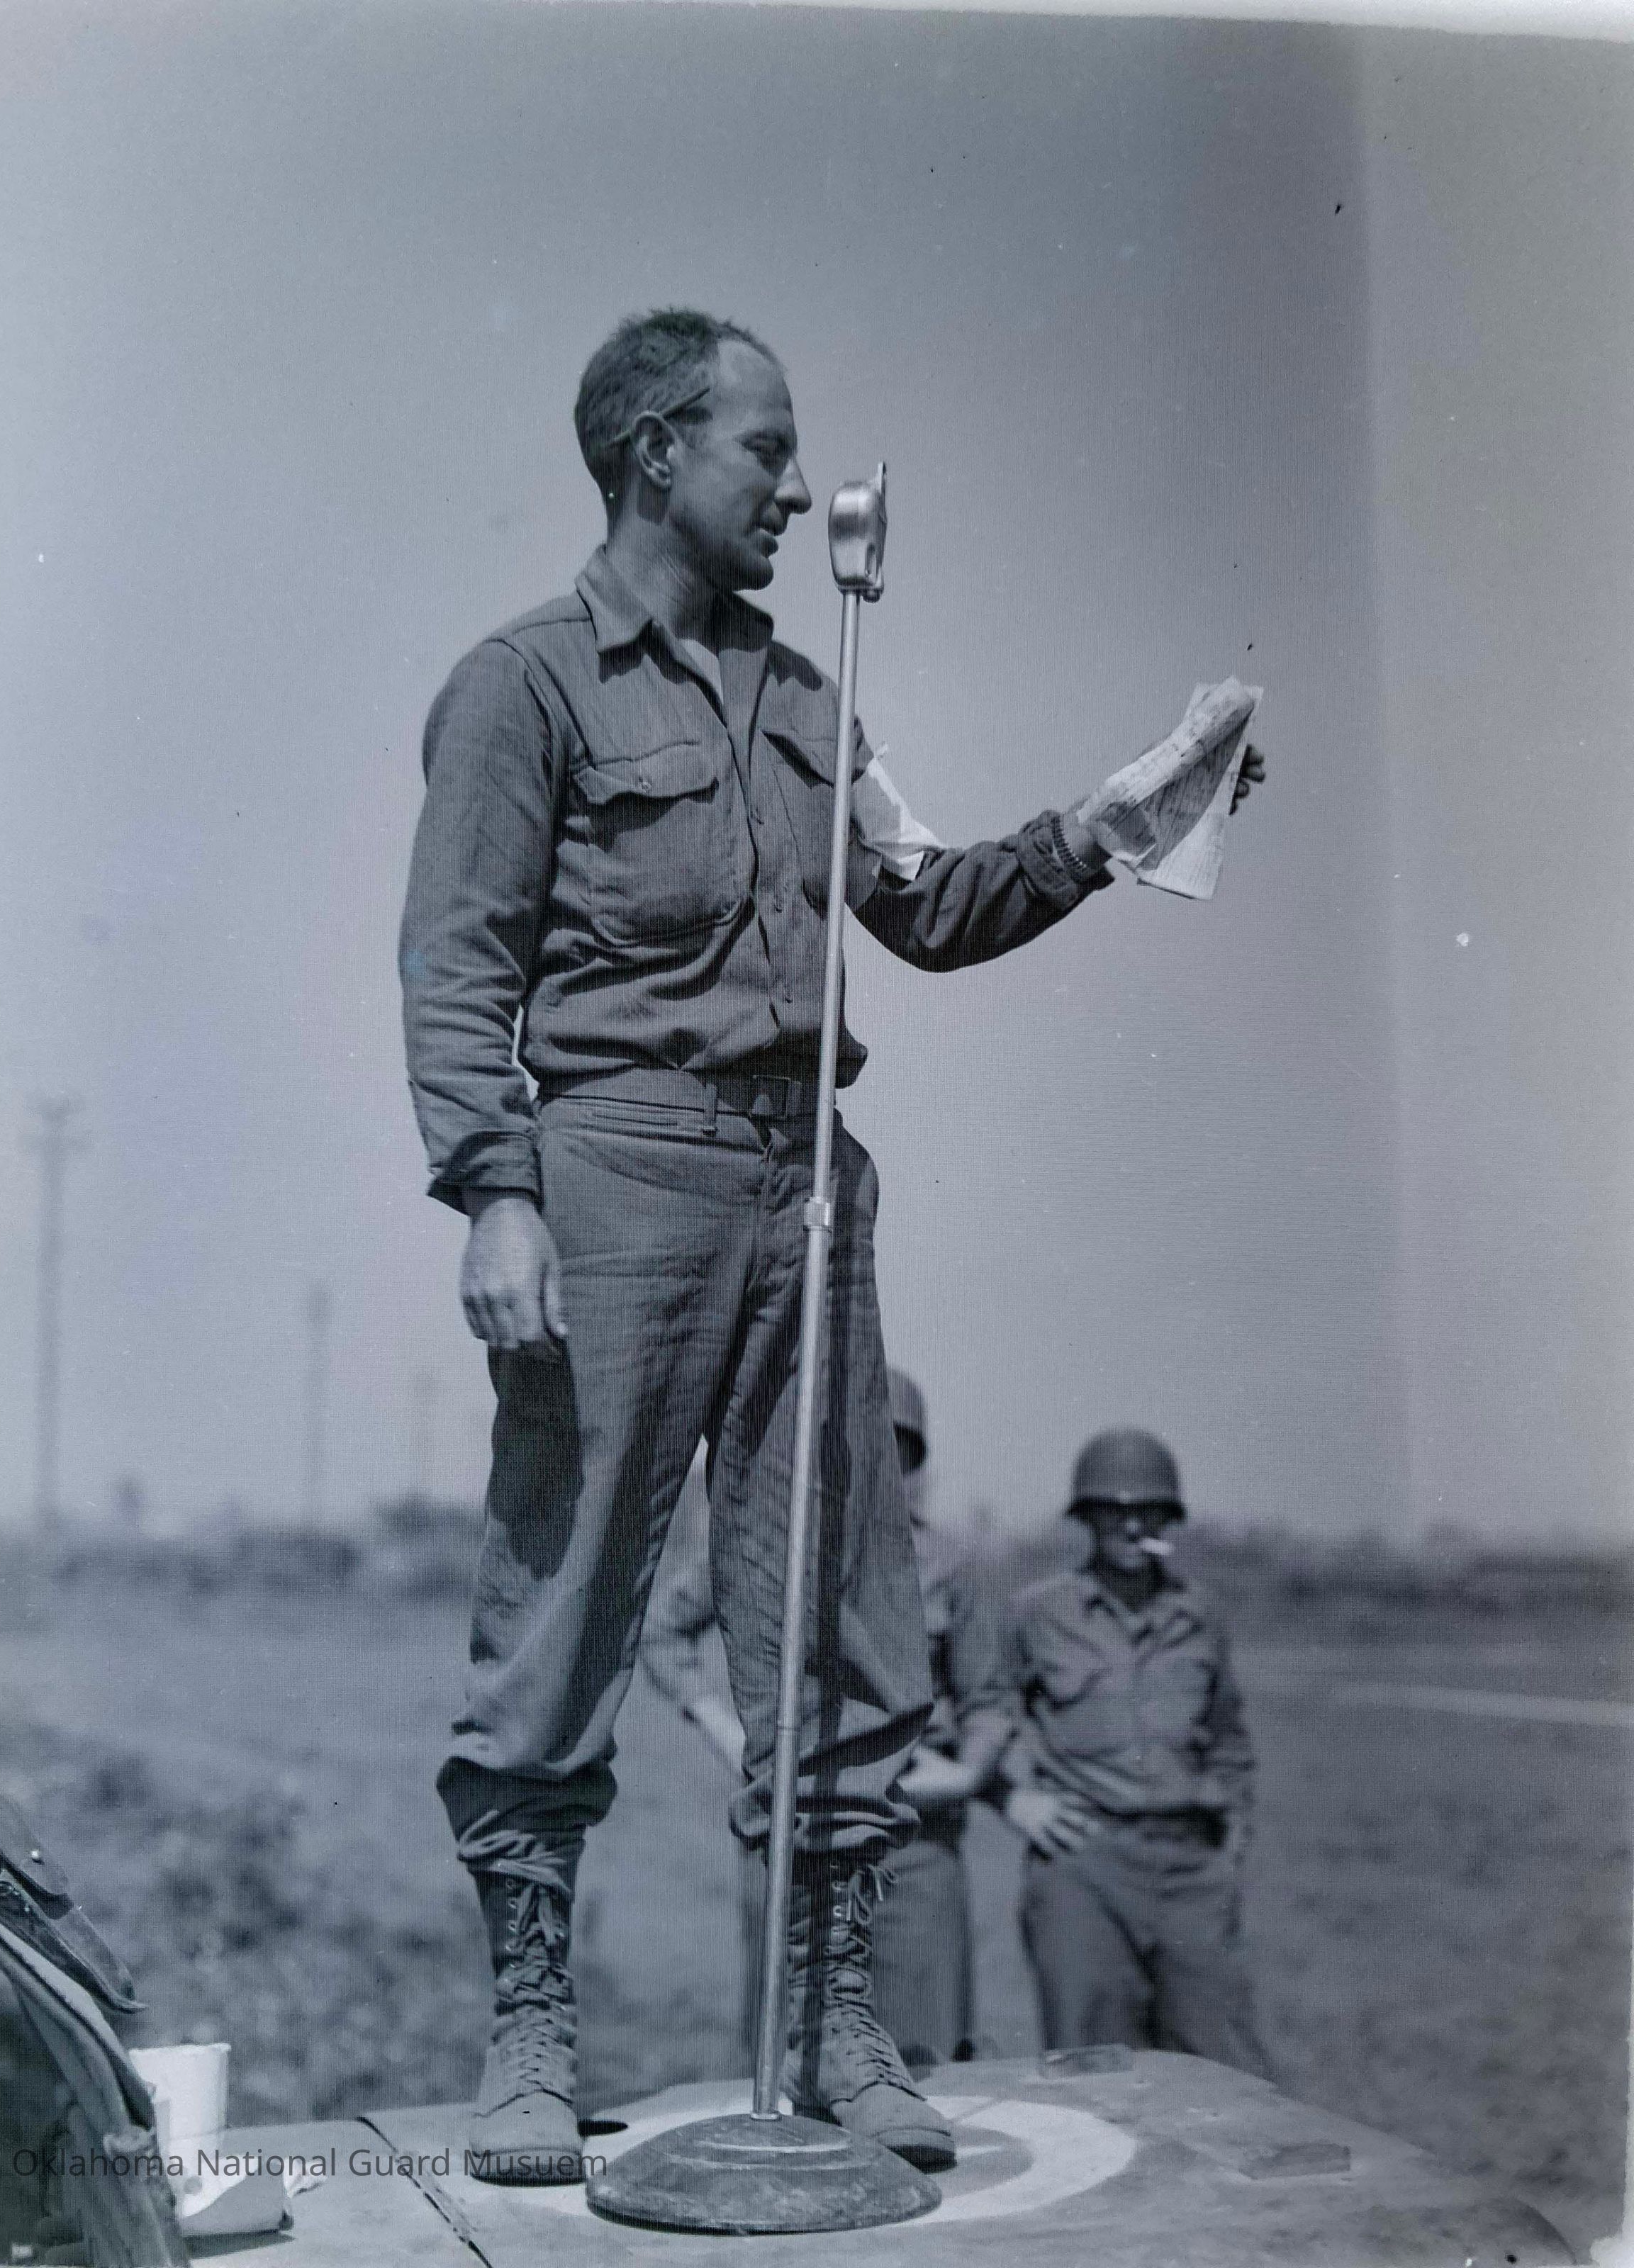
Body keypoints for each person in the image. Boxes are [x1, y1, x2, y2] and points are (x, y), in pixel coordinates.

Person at [398, 306, 1266, 2184]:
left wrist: (1109, 829)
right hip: (614, 1175)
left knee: (843, 1606)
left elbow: (928, 906)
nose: (798, 488)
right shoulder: (523, 688)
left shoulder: (813, 697)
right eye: (764, 449)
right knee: (561, 1598)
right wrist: (495, 1187)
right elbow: (460, 962)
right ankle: (530, 2029)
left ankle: (836, 2016)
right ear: (655, 452)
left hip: (807, 1187)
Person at [642, 1369, 1007, 2072]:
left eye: (892, 1447)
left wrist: (967, 1774)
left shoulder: (949, 1567)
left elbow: (990, 1700)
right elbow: (661, 1630)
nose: (870, 1462)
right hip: (796, 1830)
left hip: (912, 1837)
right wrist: (728, 1735)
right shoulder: (764, 1543)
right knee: (786, 2062)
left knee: (926, 2061)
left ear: (911, 1459)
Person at [997, 1427, 1268, 2073]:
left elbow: (1229, 1738)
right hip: (1084, 1865)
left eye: (1149, 1510)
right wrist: (1012, 1799)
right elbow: (983, 1716)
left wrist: (1231, 1842)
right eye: (1112, 1510)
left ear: (1169, 1520)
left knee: (1225, 2068)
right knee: (1092, 2068)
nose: (1132, 1525)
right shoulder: (1037, 1614)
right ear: (1086, 1518)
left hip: (1189, 1868)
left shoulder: (1199, 1615)